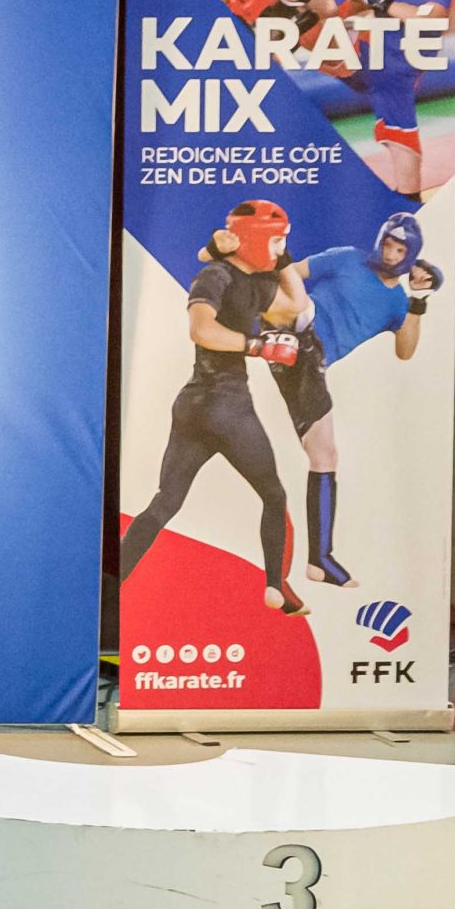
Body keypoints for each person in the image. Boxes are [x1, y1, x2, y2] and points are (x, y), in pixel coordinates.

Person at [117, 200, 312, 614]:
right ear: (255, 240)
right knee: (274, 495)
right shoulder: (215, 275)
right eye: (276, 241)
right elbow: (201, 330)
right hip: (227, 406)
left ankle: (110, 586)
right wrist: (256, 346)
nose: (281, 249)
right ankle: (276, 587)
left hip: (193, 404)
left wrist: (280, 255)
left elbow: (295, 306)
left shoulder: (254, 281)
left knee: (166, 501)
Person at [250, 211, 440, 588]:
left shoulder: (398, 303)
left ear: (410, 254)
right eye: (388, 244)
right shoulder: (348, 258)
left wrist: (418, 300)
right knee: (300, 308)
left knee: (325, 455)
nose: (390, 253)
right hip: (296, 331)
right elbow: (291, 275)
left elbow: (405, 352)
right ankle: (276, 323)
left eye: (399, 249)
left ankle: (319, 560)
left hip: (310, 364)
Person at [328, 0, 452, 201]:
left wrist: (379, 0)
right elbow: (327, 8)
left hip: (396, 77)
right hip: (365, 67)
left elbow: (429, 18)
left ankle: (407, 197)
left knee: (399, 132)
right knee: (312, 28)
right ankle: (408, 198)